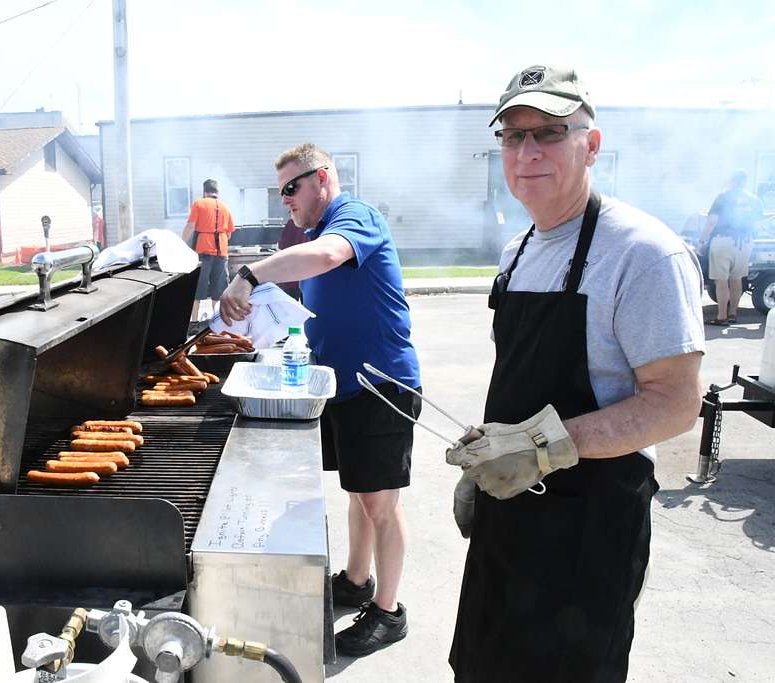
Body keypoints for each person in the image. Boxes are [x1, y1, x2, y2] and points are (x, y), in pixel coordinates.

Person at [445, 66, 705, 682]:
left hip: (587, 538)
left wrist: (540, 446)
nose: (527, 152)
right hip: (508, 518)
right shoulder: (518, 251)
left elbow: (674, 403)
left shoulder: (643, 253)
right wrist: (490, 458)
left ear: (591, 143)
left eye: (550, 133)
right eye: (513, 137)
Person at [218, 143, 421, 658]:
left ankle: (389, 613)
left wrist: (249, 273)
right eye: (280, 190)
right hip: (345, 384)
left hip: (382, 384)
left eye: (292, 187)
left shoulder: (353, 217)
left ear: (323, 178)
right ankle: (356, 582)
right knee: (359, 492)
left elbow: (330, 255)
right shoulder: (311, 233)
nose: (285, 199)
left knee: (381, 501)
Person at [698, 170, 763, 325]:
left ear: (731, 181)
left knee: (721, 281)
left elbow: (711, 221)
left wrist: (701, 242)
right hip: (744, 243)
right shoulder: (754, 199)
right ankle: (733, 313)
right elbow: (757, 225)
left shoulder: (723, 197)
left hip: (723, 242)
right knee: (736, 279)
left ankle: (721, 317)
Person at [182, 179, 236, 322]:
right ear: (217, 192)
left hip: (203, 251)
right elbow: (229, 234)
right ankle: (217, 320)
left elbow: (190, 227)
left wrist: (181, 244)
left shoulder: (199, 203)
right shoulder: (225, 206)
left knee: (198, 286)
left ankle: (194, 321)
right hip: (221, 253)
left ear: (204, 192)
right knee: (219, 288)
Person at [275, 217, 309, 300]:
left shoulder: (292, 222)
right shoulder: (315, 222)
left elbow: (283, 245)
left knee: (291, 306)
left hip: (292, 275)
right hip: (308, 275)